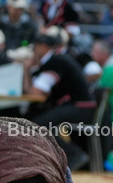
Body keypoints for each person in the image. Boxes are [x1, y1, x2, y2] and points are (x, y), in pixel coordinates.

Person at [22, 31, 97, 170]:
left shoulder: (55, 62)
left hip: (80, 107)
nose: (33, 51)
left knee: (36, 125)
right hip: (81, 106)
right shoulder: (56, 60)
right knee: (35, 121)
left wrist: (26, 68)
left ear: (43, 46)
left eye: (35, 47)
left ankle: (74, 154)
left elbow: (36, 92)